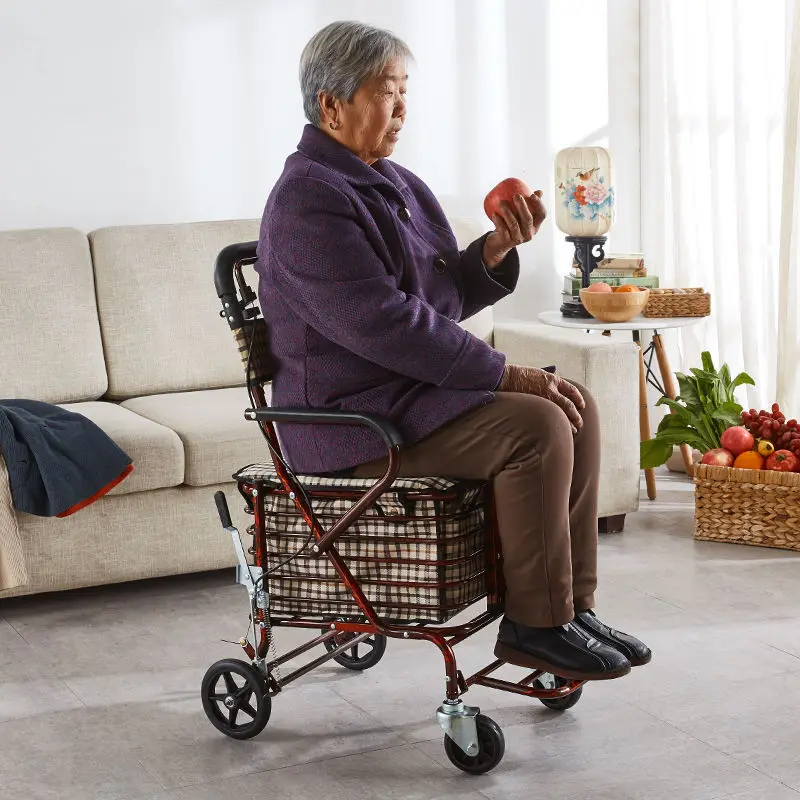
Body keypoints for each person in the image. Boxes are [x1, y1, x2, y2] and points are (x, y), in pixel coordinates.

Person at [256, 20, 650, 681]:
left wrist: (493, 251)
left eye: (405, 89)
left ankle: (571, 608)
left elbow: (433, 295)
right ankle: (536, 624)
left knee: (574, 402)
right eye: (387, 91)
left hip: (400, 397)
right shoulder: (308, 201)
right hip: (347, 421)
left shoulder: (388, 181)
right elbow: (387, 325)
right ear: (332, 105)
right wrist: (506, 374)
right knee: (537, 425)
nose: (403, 107)